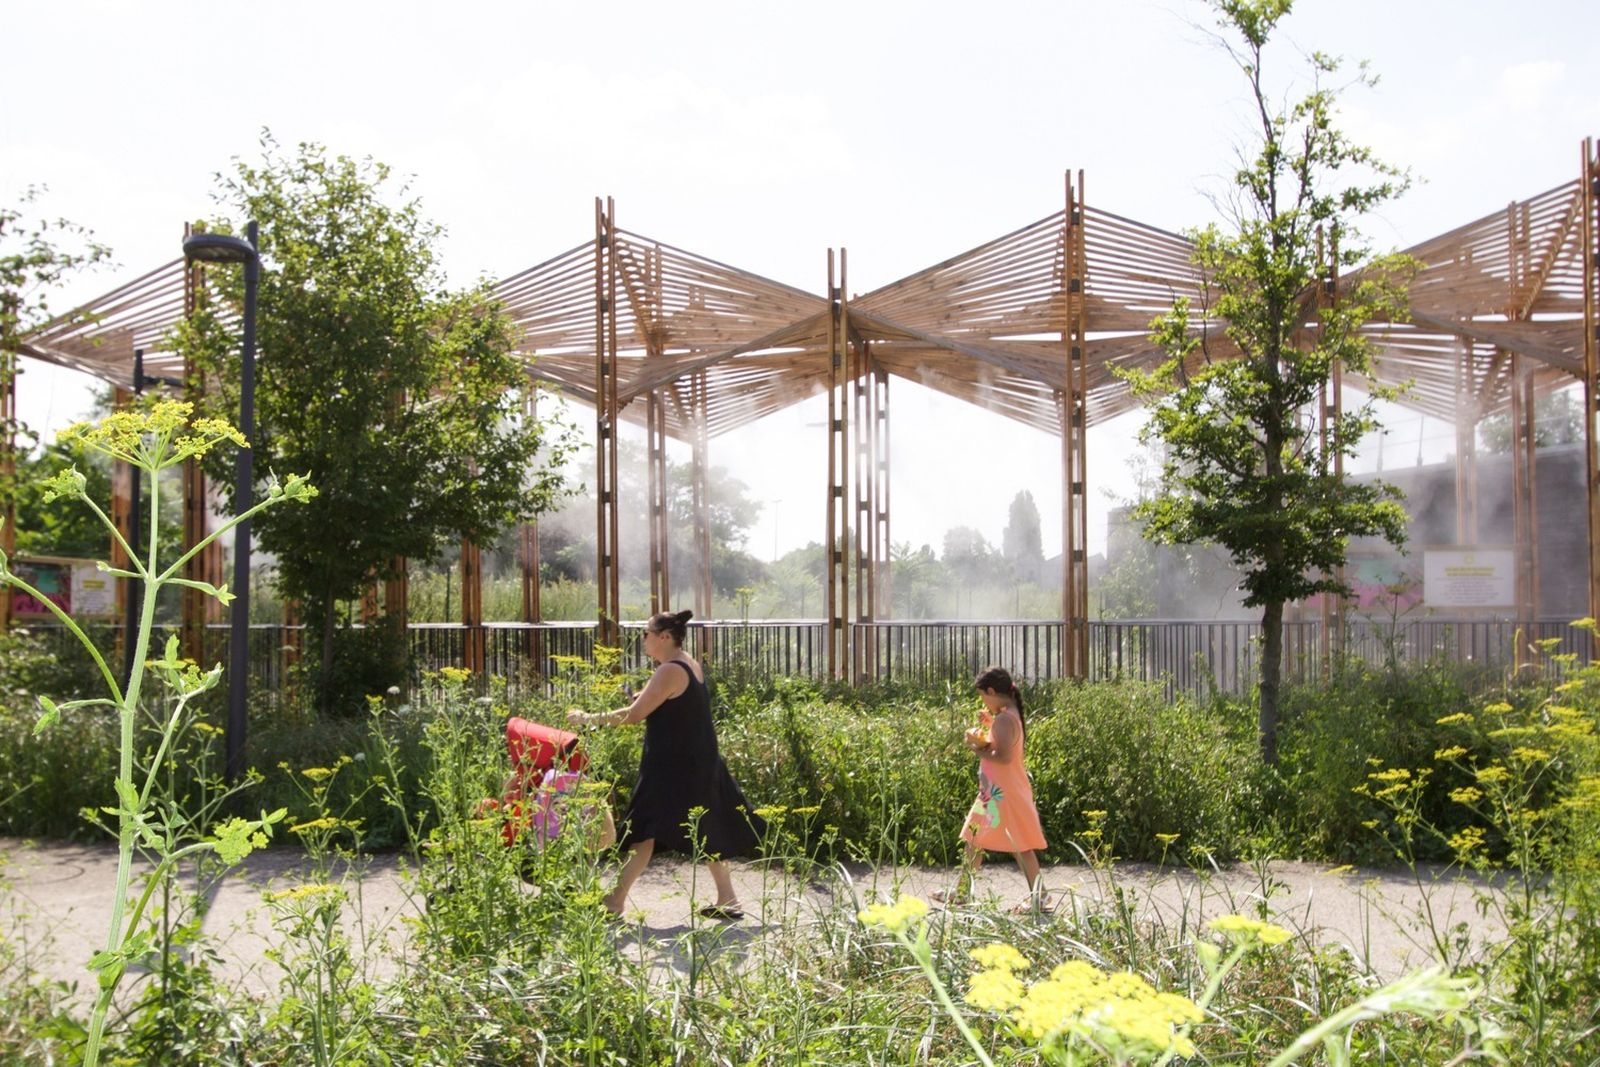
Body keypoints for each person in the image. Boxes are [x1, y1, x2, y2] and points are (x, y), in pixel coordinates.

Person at [567, 609, 765, 919]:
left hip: (673, 769)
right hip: (696, 762)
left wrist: (588, 719)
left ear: (664, 636)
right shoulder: (688, 663)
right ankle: (728, 900)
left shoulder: (670, 670)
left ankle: (614, 902)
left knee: (644, 829)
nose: (642, 639)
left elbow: (633, 714)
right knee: (704, 829)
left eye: (646, 633)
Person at [938, 665, 1049, 910]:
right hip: (997, 792)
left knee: (1019, 846)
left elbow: (1004, 757)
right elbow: (1002, 743)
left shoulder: (1004, 719)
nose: (983, 701)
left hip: (1002, 794)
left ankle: (1040, 897)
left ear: (991, 691)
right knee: (976, 839)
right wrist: (990, 725)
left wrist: (976, 749)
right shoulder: (1009, 715)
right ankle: (964, 893)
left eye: (982, 696)